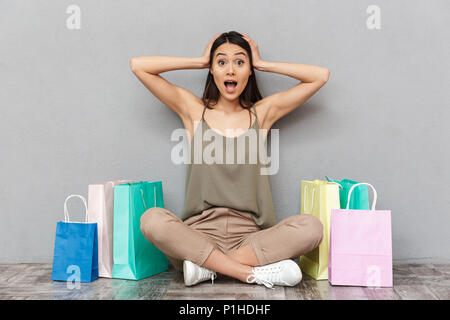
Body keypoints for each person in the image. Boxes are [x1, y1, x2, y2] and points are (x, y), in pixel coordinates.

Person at [130, 31, 330, 289]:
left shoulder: (262, 114)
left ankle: (209, 269)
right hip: (197, 236)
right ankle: (247, 273)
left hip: (251, 240)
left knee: (311, 227)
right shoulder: (194, 112)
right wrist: (200, 60)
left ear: (249, 72)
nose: (231, 70)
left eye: (240, 62)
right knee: (151, 220)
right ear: (212, 70)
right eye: (221, 62)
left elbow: (320, 76)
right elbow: (139, 66)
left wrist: (263, 64)